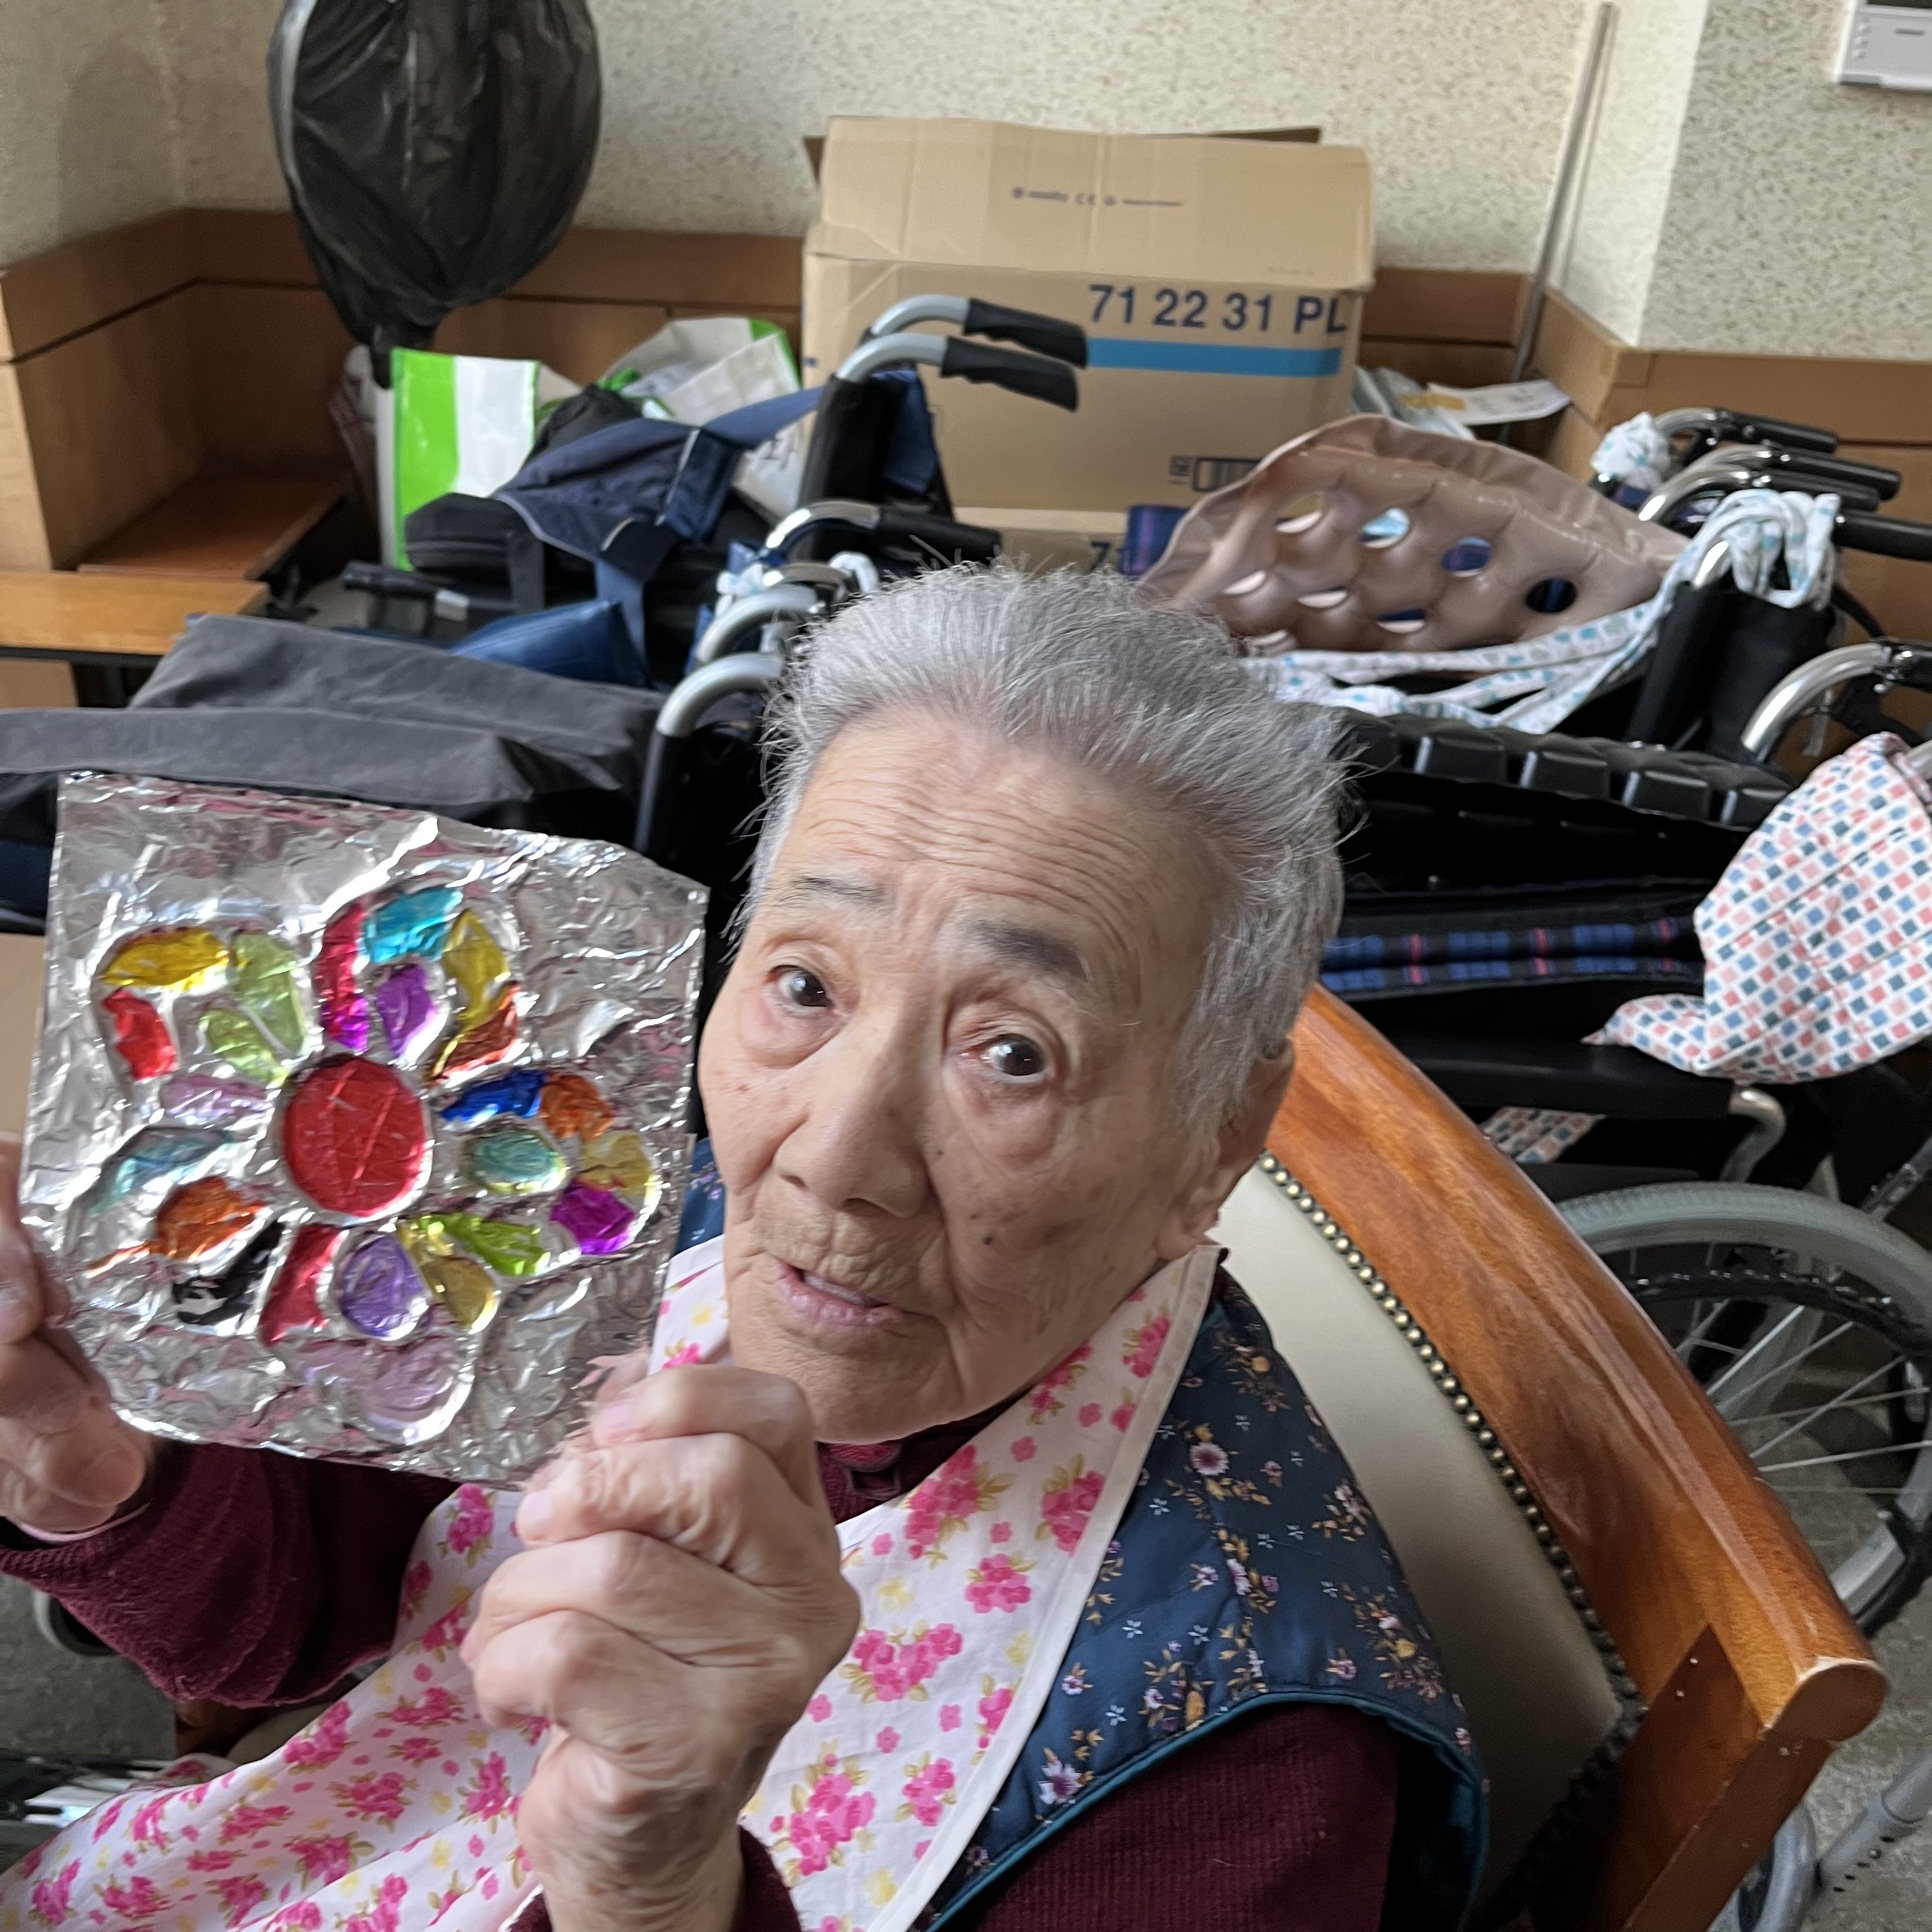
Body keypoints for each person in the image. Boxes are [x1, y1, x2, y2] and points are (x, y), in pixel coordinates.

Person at [0, 567, 1482, 1931]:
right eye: (806, 985)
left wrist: (656, 1889)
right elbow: (306, 1618)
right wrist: (95, 1473)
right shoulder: (642, 1210)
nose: (830, 1157)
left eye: (1014, 1053)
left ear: (1216, 1141)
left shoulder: (1235, 1762)